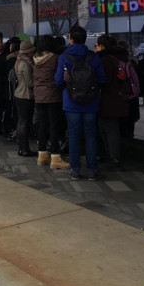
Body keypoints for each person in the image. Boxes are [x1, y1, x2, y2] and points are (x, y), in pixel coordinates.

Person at [55, 26, 106, 181]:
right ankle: (92, 170)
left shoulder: (64, 57)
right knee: (90, 136)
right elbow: (102, 79)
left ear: (71, 39)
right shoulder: (93, 57)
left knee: (73, 136)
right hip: (91, 103)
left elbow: (58, 81)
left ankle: (75, 170)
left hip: (71, 103)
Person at [95, 35, 130, 168]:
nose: (96, 48)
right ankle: (112, 156)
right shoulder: (122, 57)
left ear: (102, 46)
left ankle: (113, 158)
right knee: (110, 128)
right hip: (120, 98)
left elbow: (103, 80)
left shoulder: (106, 60)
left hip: (109, 100)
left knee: (110, 129)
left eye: (97, 45)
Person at [33, 35, 68, 169]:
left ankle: (42, 155)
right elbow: (59, 77)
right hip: (52, 96)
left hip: (39, 96)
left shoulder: (35, 58)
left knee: (42, 125)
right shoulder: (55, 58)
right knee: (54, 126)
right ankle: (55, 157)